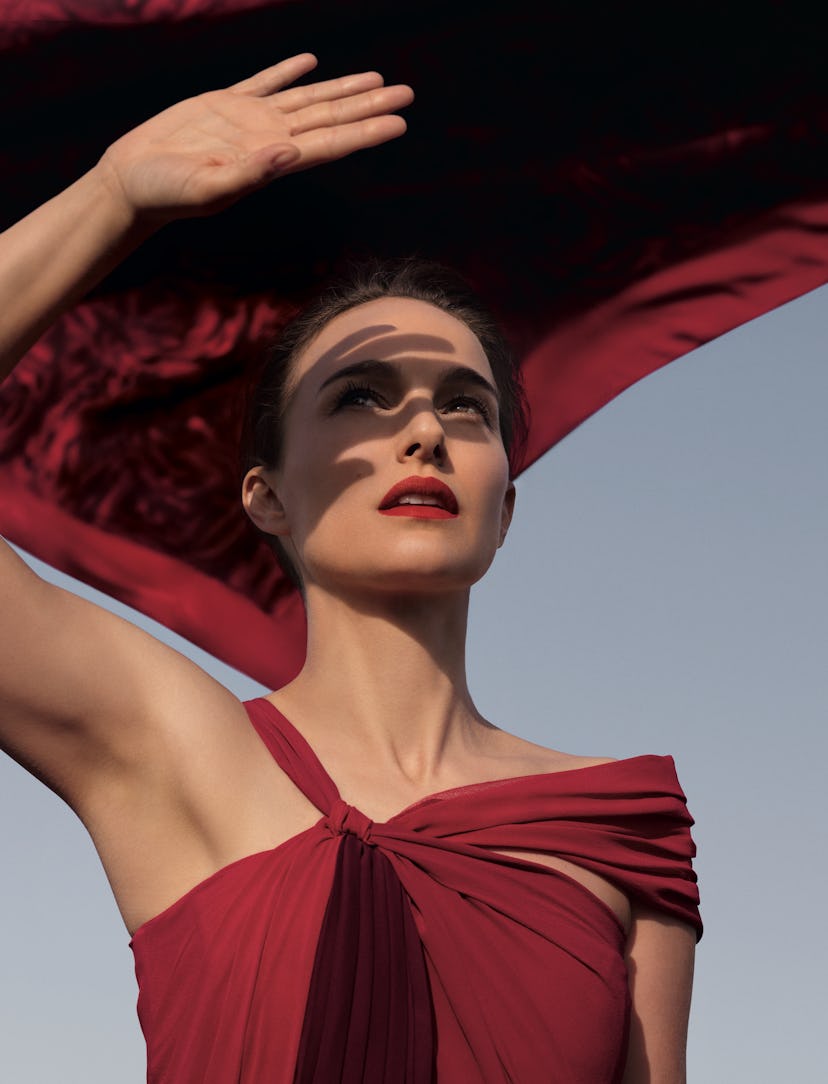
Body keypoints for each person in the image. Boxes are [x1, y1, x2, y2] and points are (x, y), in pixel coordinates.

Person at [0, 53, 700, 1083]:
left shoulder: (619, 826)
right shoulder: (175, 752)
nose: (423, 426)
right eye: (360, 398)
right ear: (266, 495)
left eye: (465, 404)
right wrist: (113, 197)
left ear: (504, 507)